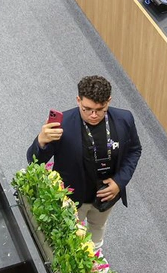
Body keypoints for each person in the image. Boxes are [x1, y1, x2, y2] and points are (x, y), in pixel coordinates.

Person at [26, 75, 142, 247]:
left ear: (108, 101)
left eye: (100, 109)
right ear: (78, 100)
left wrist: (119, 182)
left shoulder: (125, 119)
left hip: (106, 196)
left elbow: (134, 150)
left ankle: (96, 251)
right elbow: (34, 161)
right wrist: (41, 141)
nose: (94, 115)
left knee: (98, 230)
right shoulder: (63, 124)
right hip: (72, 198)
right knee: (69, 240)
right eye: (87, 109)